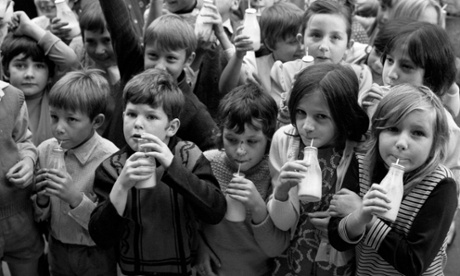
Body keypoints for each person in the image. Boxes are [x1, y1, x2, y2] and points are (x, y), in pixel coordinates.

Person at [88, 68, 227, 275]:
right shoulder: (113, 167)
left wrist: (173, 167)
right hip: (132, 270)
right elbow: (101, 236)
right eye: (132, 114)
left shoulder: (188, 155)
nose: (138, 124)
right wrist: (122, 186)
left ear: (171, 127)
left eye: (151, 117)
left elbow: (215, 210)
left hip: (183, 269)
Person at [328, 84, 458, 275]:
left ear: (435, 144)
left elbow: (414, 263)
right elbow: (337, 239)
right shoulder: (362, 164)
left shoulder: (441, 185)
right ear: (378, 131)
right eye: (393, 128)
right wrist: (358, 218)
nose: (402, 143)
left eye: (418, 133)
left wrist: (366, 217)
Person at [265, 63, 369, 275]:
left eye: (321, 116)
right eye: (301, 113)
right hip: (291, 255)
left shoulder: (360, 154)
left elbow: (363, 222)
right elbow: (282, 223)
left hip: (335, 261)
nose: (307, 126)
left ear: (343, 117)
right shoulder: (284, 141)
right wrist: (281, 192)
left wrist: (344, 224)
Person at [99, 0, 218, 150]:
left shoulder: (191, 109)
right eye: (153, 56)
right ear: (144, 51)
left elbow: (214, 151)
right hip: (110, 169)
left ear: (189, 60)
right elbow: (118, 22)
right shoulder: (134, 67)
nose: (160, 66)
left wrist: (176, 169)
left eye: (171, 59)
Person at [32, 69, 118, 275]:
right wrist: (42, 199)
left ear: (96, 122)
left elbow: (109, 224)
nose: (59, 128)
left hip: (95, 253)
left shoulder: (110, 158)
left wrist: (73, 197)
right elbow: (40, 214)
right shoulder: (45, 150)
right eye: (54, 117)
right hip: (57, 246)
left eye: (71, 119)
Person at [196, 83, 278, 275]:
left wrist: (257, 206)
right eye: (232, 139)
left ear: (268, 138)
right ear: (221, 133)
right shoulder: (206, 163)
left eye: (252, 141)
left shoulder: (273, 173)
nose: (240, 150)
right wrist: (198, 247)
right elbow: (189, 218)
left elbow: (276, 246)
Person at [270, 0, 372, 126]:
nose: (324, 46)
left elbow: (361, 128)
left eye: (335, 37)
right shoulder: (284, 73)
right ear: (301, 41)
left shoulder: (359, 77)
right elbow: (275, 128)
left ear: (348, 46)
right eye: (316, 35)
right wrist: (291, 101)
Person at [1, 11, 79, 146]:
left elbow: (70, 60)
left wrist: (29, 27)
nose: (29, 74)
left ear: (50, 74)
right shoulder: (2, 96)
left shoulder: (55, 95)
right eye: (20, 66)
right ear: (6, 69)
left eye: (39, 66)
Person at [219, 1, 304, 104]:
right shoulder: (257, 67)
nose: (301, 47)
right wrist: (238, 56)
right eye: (293, 42)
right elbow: (226, 89)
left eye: (303, 40)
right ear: (270, 44)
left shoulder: (308, 65)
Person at [76, 0, 120, 135]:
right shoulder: (79, 53)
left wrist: (118, 82)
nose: (99, 50)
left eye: (107, 40)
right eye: (90, 41)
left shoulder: (135, 60)